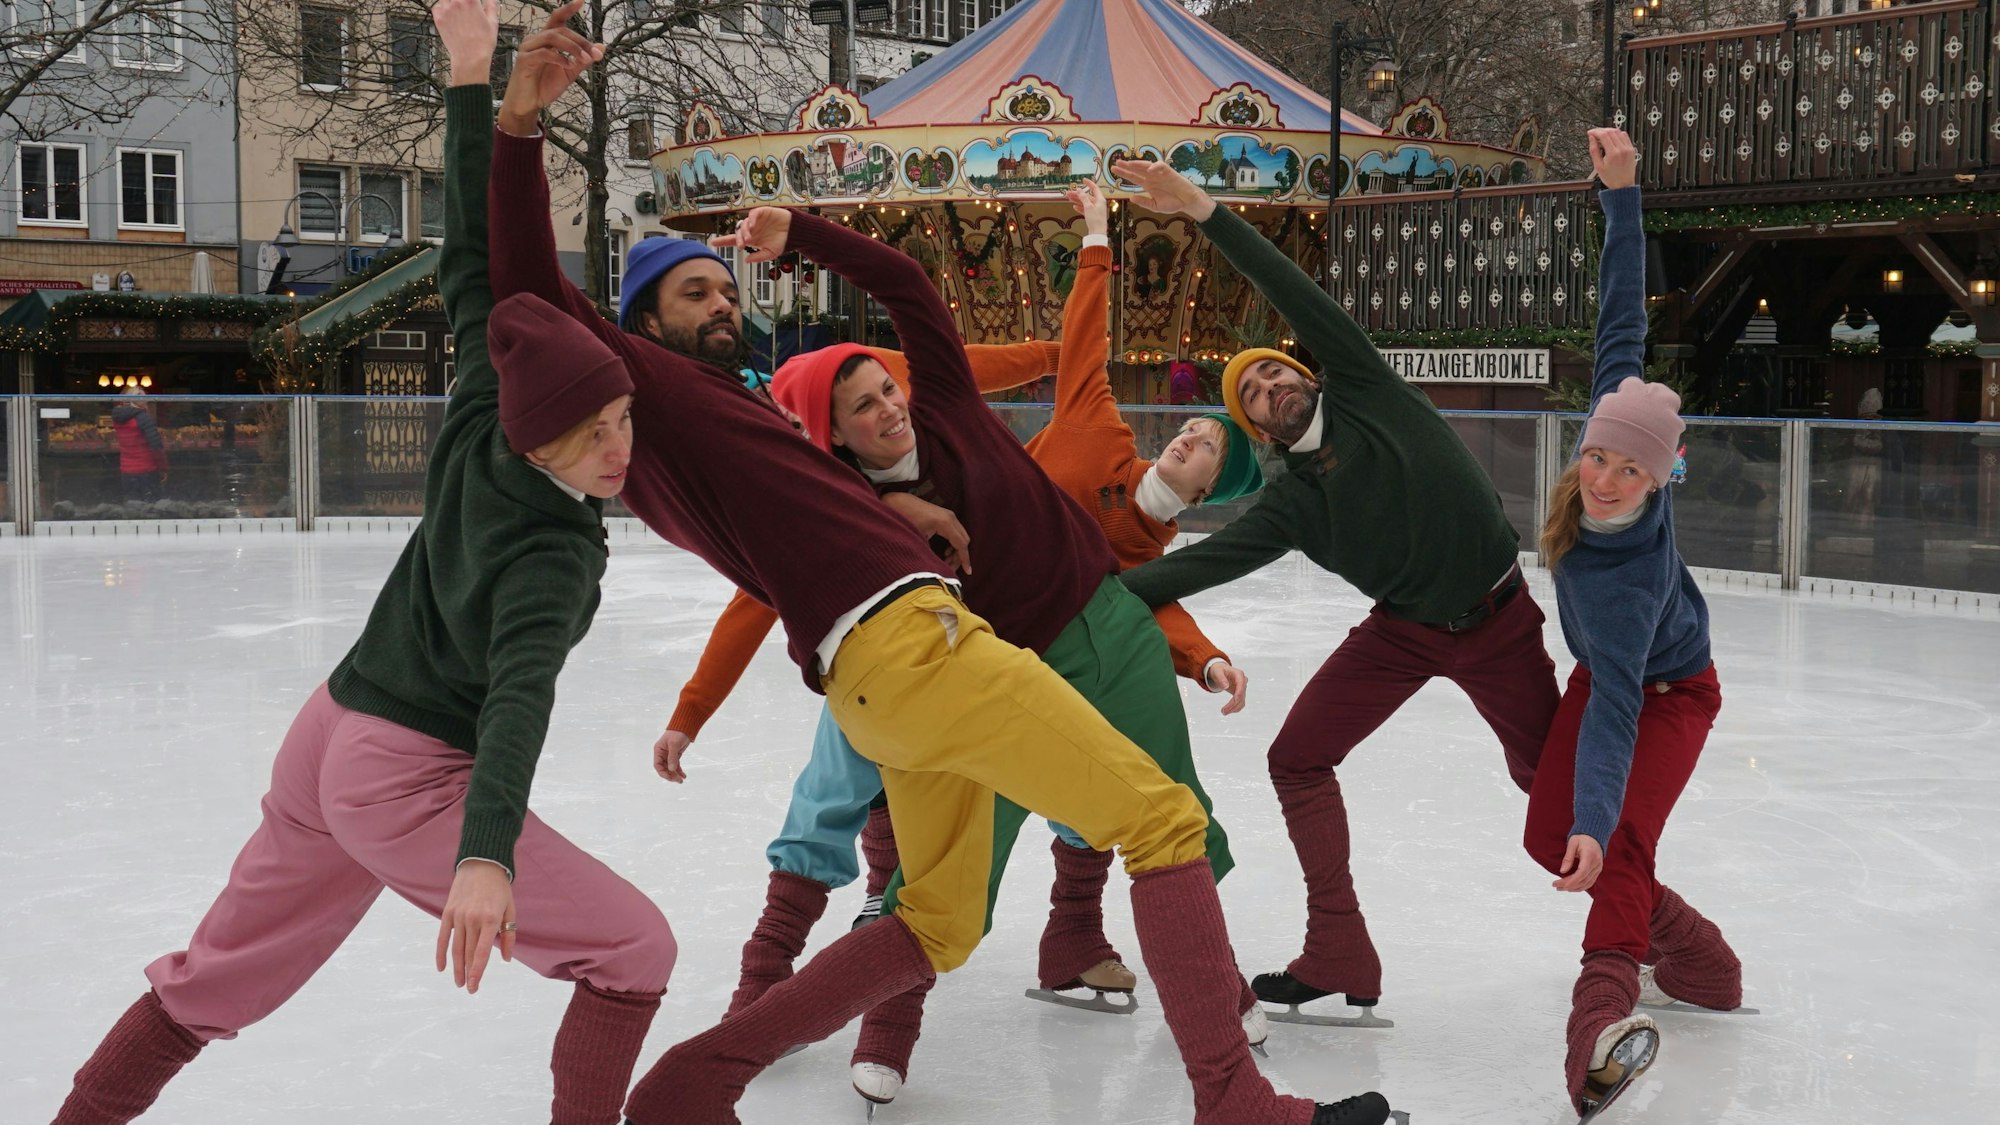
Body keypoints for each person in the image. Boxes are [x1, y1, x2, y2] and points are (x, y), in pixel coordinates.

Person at [482, 20, 1390, 1125]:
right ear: (631, 333)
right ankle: (1234, 1101)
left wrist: (889, 479)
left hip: (894, 671)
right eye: (693, 298)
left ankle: (695, 1079)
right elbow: (524, 286)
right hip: (913, 645)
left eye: (724, 292)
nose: (722, 304)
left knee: (940, 921)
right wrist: (518, 123)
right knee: (1163, 825)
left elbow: (875, 375)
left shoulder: (743, 417)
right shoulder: (651, 399)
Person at [47, 6, 673, 1124]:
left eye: (624, 418)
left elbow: (472, 260)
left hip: (330, 729)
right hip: (407, 775)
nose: (618, 450)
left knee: (216, 979)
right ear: (539, 445)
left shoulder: (487, 407)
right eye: (594, 437)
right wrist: (485, 857)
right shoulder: (550, 557)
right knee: (636, 948)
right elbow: (517, 701)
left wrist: (474, 78)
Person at [752, 178, 1267, 1105]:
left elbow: (909, 285)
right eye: (865, 405)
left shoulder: (943, 401)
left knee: (1177, 812)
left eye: (886, 386)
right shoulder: (845, 511)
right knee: (939, 873)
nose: (890, 406)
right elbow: (761, 543)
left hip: (1109, 630)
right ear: (832, 438)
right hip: (997, 672)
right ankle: (881, 1026)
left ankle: (1218, 990)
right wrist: (889, 503)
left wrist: (804, 234)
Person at [1109, 155, 1561, 1025]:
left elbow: (1290, 289)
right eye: (1250, 394)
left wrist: (1203, 209)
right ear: (1256, 428)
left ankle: (1654, 930)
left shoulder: (1365, 390)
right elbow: (1192, 566)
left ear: (1305, 375)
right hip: (1404, 631)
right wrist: (1081, 592)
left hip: (1499, 618)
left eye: (1275, 373)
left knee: (1548, 782)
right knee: (1296, 756)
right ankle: (1338, 948)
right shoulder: (1293, 502)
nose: (1269, 386)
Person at [1522, 127, 1741, 1118]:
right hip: (1606, 680)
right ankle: (1690, 948)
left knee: (1610, 842)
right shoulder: (1606, 423)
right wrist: (1619, 196)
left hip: (1665, 694)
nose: (1607, 482)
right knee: (1546, 832)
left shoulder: (1629, 580)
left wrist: (1595, 821)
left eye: (1632, 473)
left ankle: (1598, 1024)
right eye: (1601, 462)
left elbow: (1615, 707)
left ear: (1661, 479)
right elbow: (1620, 320)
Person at [111, 387, 168, 504]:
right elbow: (156, 446)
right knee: (151, 507)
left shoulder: (118, 418)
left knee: (132, 506)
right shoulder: (143, 418)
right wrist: (163, 468)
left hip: (126, 471)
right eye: (144, 399)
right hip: (147, 470)